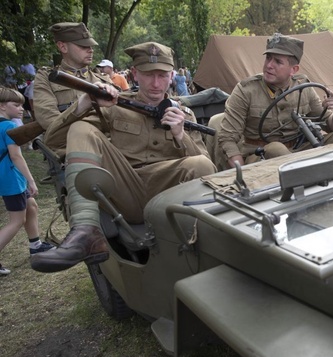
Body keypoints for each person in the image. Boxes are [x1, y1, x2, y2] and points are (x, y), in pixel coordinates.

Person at [31, 42, 216, 273]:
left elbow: (208, 168)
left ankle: (210, 241)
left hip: (169, 196)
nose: (156, 83)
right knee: (80, 129)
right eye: (149, 75)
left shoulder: (184, 114)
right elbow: (54, 141)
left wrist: (180, 134)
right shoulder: (115, 105)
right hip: (124, 191)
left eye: (162, 75)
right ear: (135, 73)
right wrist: (84, 103)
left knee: (198, 162)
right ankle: (86, 232)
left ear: (171, 76)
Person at [216, 33, 333, 169]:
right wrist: (241, 173)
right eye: (268, 58)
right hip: (259, 154)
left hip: (299, 148)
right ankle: (307, 180)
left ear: (294, 69)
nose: (269, 65)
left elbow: (330, 126)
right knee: (276, 149)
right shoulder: (246, 90)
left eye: (278, 61)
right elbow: (227, 138)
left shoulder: (303, 87)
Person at [33, 22, 111, 154]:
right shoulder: (47, 78)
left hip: (104, 145)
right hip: (67, 149)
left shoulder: (103, 80)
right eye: (83, 46)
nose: (90, 50)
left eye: (91, 46)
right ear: (62, 47)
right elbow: (49, 120)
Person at [0, 88, 55, 275]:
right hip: (11, 177)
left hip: (6, 176)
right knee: (17, 220)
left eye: (22, 104)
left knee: (31, 206)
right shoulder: (8, 127)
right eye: (16, 105)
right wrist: (31, 180)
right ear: (1, 106)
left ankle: (35, 245)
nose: (22, 108)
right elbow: (16, 156)